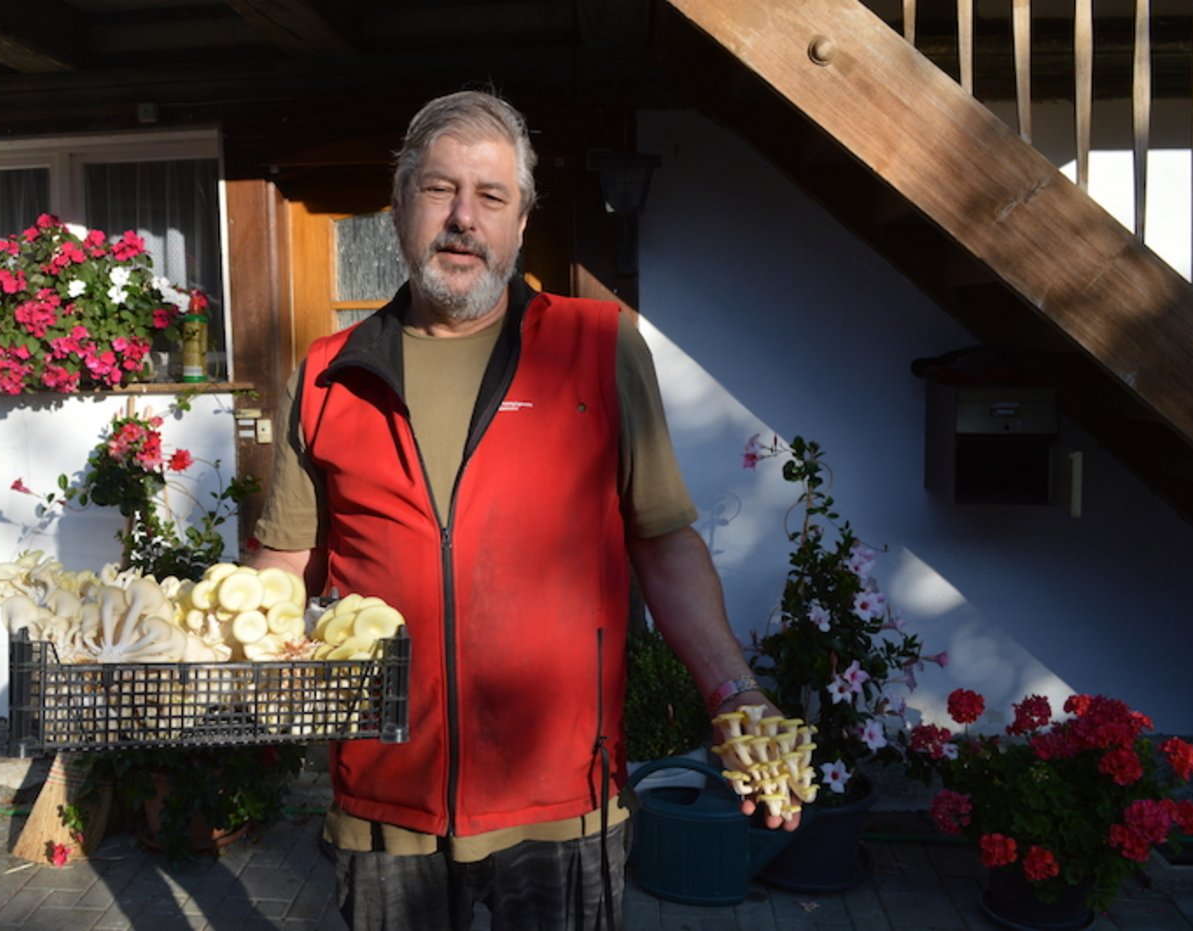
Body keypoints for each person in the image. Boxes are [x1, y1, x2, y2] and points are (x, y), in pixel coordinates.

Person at [250, 89, 793, 931]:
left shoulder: (598, 346)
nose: (463, 217)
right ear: (398, 209)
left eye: (491, 197)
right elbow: (282, 566)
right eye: (438, 190)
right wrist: (227, 660)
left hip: (560, 798)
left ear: (521, 221)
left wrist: (734, 695)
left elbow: (663, 539)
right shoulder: (327, 375)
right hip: (385, 796)